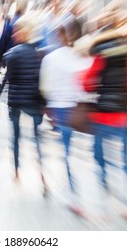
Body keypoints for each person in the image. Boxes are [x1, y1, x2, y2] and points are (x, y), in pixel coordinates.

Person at [82, 29, 127, 227]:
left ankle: (103, 208)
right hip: (124, 116)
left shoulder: (101, 55)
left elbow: (86, 84)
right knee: (126, 163)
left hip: (102, 116)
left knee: (100, 160)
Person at [40, 26, 89, 213]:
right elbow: (84, 84)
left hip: (58, 108)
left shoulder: (49, 59)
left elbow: (45, 88)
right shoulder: (78, 57)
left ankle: (72, 192)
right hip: (75, 107)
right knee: (74, 148)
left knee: (66, 149)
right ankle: (72, 189)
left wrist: (49, 104)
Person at [0, 13, 45, 180]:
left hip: (16, 101)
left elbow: (8, 78)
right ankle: (41, 173)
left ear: (24, 33)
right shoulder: (38, 54)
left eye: (16, 31)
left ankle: (16, 172)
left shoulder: (12, 54)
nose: (14, 34)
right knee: (37, 138)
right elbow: (41, 79)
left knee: (16, 137)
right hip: (34, 101)